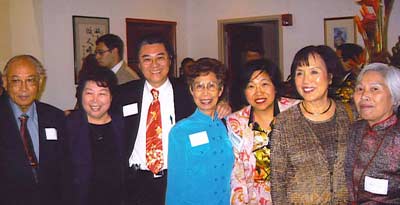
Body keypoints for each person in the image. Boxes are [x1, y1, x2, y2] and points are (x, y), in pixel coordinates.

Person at [113, 34, 231, 205]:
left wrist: (224, 105)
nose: (154, 65)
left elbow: (210, 101)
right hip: (135, 181)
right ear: (138, 64)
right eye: (147, 59)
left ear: (170, 60)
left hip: (177, 179)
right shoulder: (123, 94)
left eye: (160, 58)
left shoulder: (189, 92)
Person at [270, 45, 355, 204]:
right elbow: (278, 181)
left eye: (314, 72)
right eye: (299, 73)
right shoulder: (284, 122)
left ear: (330, 77)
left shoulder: (350, 115)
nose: (305, 80)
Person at [227, 59, 299, 205]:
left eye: (264, 84)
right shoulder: (236, 122)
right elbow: (237, 173)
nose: (258, 92)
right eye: (251, 86)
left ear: (275, 87)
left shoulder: (296, 112)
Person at [0, 55, 67, 205]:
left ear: (40, 82)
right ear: (5, 82)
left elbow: (65, 169)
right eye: (16, 81)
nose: (23, 88)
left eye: (30, 80)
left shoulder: (56, 117)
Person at [166, 58, 234, 204]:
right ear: (191, 90)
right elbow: (175, 185)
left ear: (220, 90)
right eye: (199, 86)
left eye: (211, 86)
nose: (205, 93)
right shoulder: (180, 132)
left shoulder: (230, 124)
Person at [65, 67, 125, 205]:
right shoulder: (68, 127)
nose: (95, 100)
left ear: (111, 96)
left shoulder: (123, 125)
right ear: (81, 95)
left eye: (102, 93)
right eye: (89, 93)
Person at [345, 63, 400, 204]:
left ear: (395, 97)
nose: (364, 95)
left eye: (375, 89)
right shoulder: (355, 130)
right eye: (360, 89)